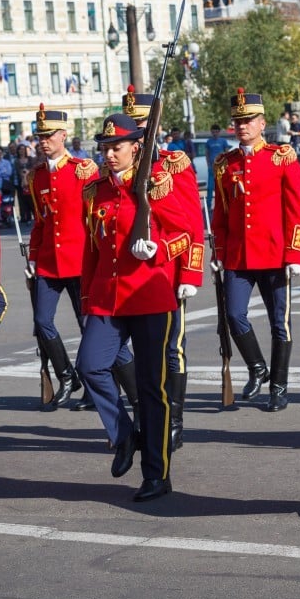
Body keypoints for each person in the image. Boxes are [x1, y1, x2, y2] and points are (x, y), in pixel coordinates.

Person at [78, 113, 192, 501]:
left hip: (148, 295)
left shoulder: (156, 185)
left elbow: (186, 234)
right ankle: (124, 434)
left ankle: (157, 474)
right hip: (108, 298)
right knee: (90, 365)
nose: (109, 154)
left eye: (117, 147)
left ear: (136, 149)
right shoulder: (95, 192)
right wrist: (86, 299)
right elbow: (92, 250)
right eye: (105, 148)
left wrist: (160, 249)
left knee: (151, 387)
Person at [213, 89, 300, 411]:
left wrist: (296, 253)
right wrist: (219, 253)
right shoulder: (225, 164)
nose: (243, 125)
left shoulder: (281, 157)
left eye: (249, 120)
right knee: (234, 315)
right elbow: (221, 213)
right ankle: (257, 367)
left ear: (262, 122)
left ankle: (279, 387)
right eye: (238, 121)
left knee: (279, 323)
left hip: (275, 254)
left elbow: (296, 209)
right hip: (240, 256)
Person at [122, 86, 205, 449]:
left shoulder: (173, 165)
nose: (137, 130)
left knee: (173, 348)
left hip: (168, 273)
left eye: (141, 122)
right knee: (130, 353)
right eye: (132, 124)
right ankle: (145, 408)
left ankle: (175, 418)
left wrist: (190, 273)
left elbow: (192, 224)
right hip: (130, 279)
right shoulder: (121, 168)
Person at [26, 104, 110, 411]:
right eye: (40, 136)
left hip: (79, 259)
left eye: (49, 135)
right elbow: (39, 221)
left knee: (86, 323)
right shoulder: (35, 177)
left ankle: (91, 384)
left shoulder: (82, 170)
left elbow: (93, 217)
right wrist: (34, 256)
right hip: (49, 261)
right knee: (41, 321)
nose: (43, 140)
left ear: (64, 135)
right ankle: (66, 376)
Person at [205, 123, 231, 211]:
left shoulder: (223, 141)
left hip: (221, 167)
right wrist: (208, 164)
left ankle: (223, 204)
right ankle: (208, 206)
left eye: (216, 132)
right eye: (213, 132)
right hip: (212, 167)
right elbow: (207, 154)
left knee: (222, 186)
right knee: (210, 187)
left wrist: (225, 164)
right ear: (211, 132)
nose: (215, 133)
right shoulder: (209, 142)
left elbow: (227, 153)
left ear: (219, 132)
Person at [13, 144, 35, 224]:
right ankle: (25, 217)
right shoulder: (16, 160)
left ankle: (35, 216)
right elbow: (18, 170)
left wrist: (27, 174)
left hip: (30, 182)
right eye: (20, 149)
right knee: (22, 200)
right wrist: (23, 176)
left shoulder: (30, 159)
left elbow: (33, 168)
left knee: (31, 200)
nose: (21, 151)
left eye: (23, 149)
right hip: (20, 182)